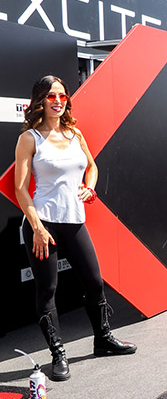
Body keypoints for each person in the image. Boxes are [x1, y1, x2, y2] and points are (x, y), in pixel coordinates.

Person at [13, 76, 137, 382]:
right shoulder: (30, 138)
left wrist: (90, 188)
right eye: (51, 96)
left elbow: (91, 167)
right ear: (40, 101)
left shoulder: (74, 133)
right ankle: (58, 353)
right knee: (48, 290)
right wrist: (37, 227)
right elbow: (20, 189)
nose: (57, 101)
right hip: (43, 224)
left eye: (62, 95)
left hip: (74, 220)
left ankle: (103, 340)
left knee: (94, 283)